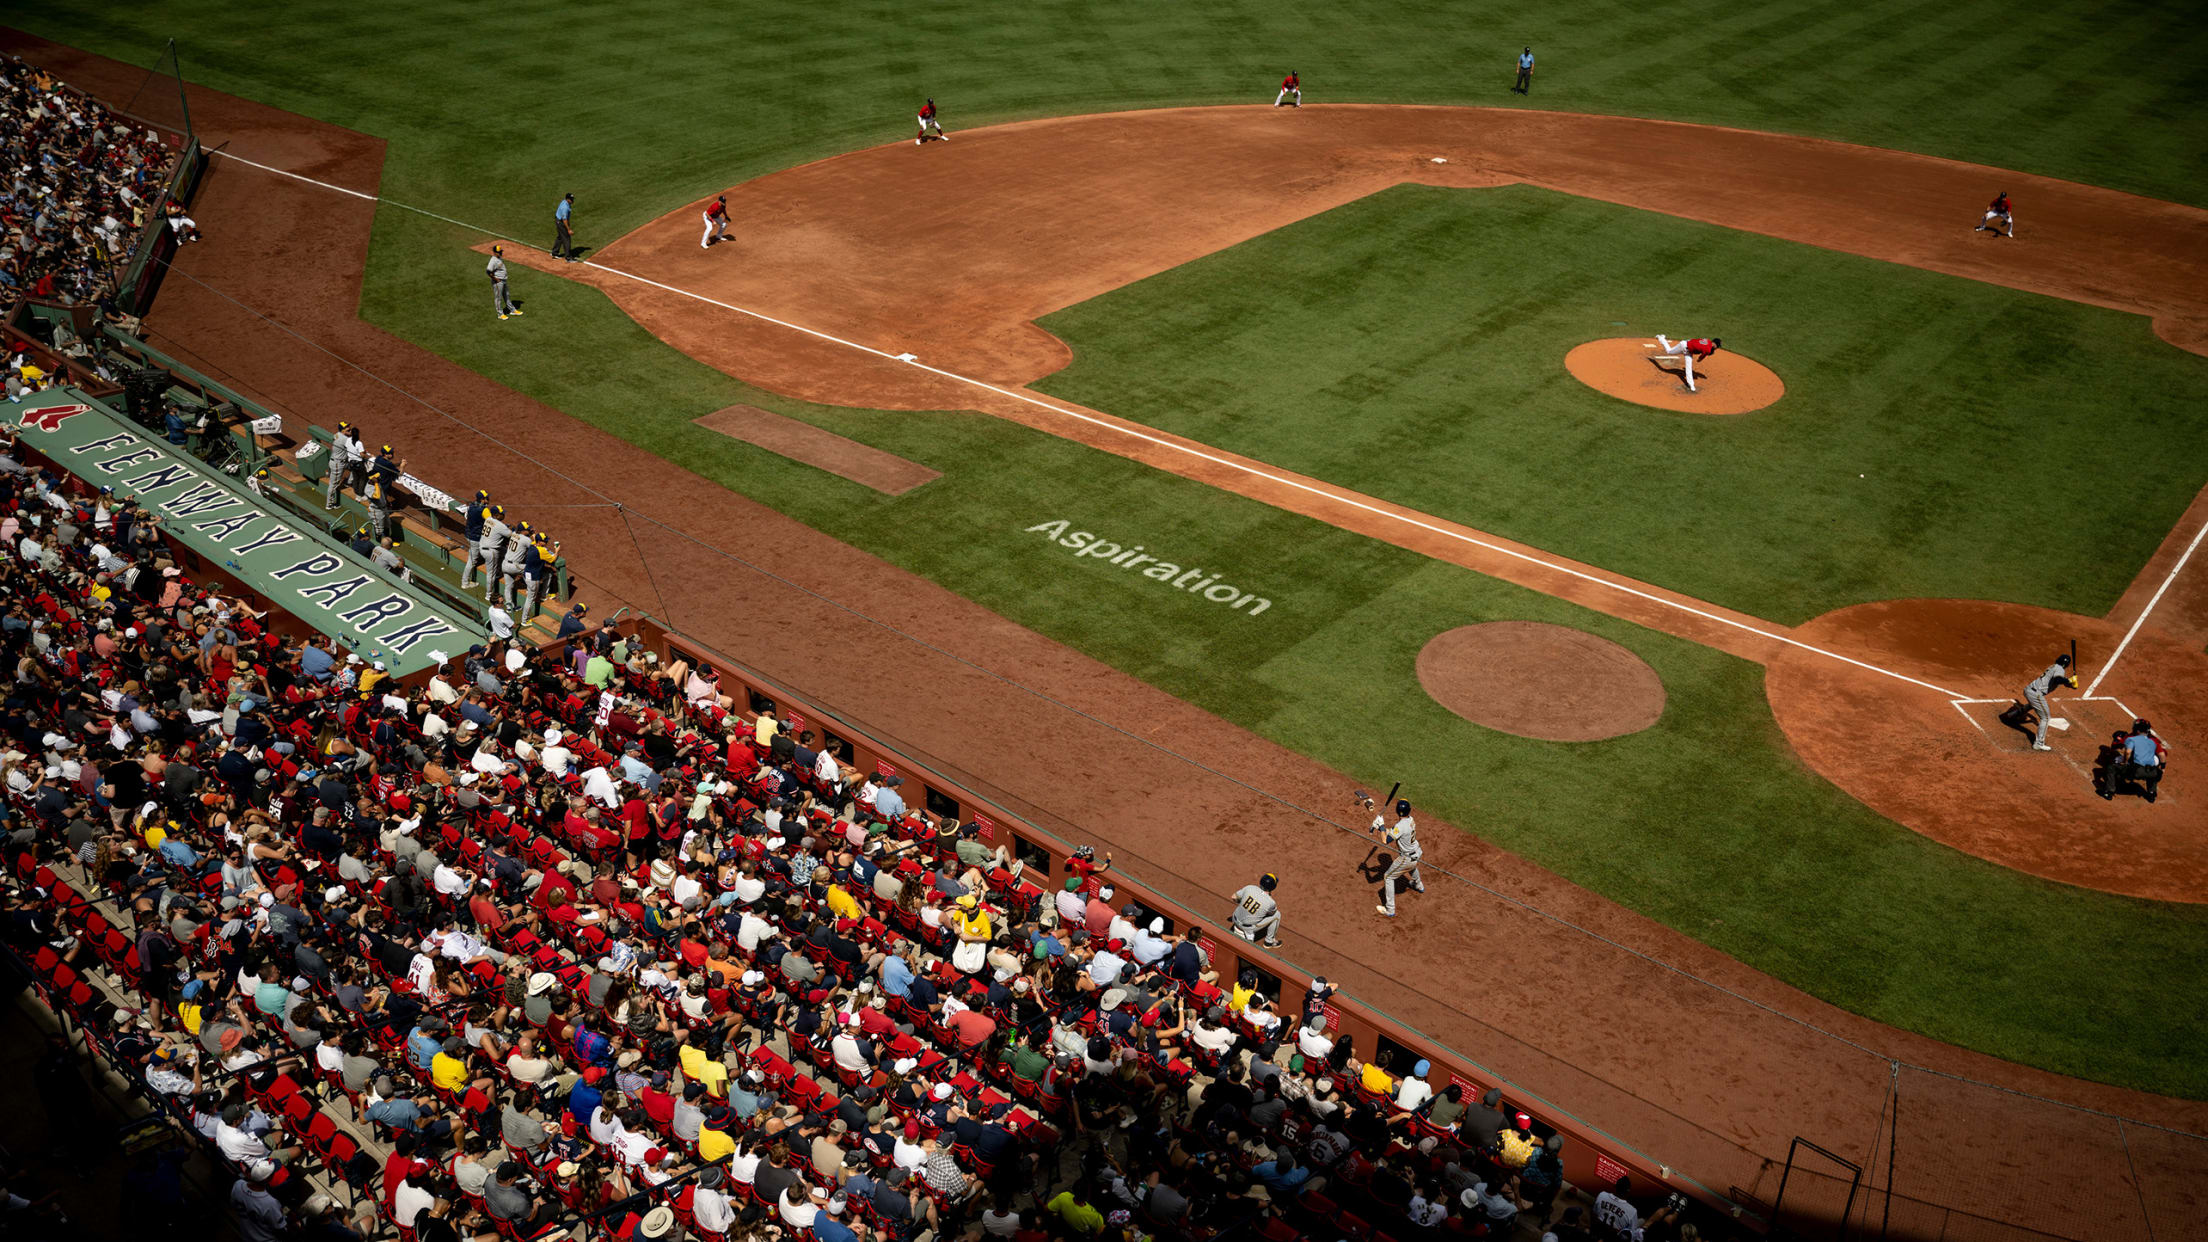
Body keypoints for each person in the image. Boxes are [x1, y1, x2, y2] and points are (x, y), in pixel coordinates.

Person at [2001, 653, 2075, 751]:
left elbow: (2060, 681)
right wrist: (2069, 680)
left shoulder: (2054, 667)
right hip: (2036, 694)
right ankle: (2039, 743)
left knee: (2033, 705)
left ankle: (2013, 715)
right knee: (2045, 717)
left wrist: (2072, 684)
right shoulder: (2060, 670)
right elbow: (2058, 680)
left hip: (2029, 690)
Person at [1373, 799, 1426, 918]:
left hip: (1407, 858)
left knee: (1388, 877)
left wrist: (1381, 826)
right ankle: (1418, 885)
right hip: (1417, 852)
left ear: (1398, 811)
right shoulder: (1410, 820)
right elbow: (1393, 833)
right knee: (1412, 866)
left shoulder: (1400, 826)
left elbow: (1385, 840)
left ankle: (1390, 909)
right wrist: (1380, 828)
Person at [2097, 719, 2165, 803]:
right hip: (2152, 771)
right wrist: (2162, 768)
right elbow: (2163, 754)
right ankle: (2151, 794)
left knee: (2113, 766)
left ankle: (2109, 792)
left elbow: (2117, 747)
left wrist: (2118, 738)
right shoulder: (2154, 740)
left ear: (2137, 729)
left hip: (2136, 770)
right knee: (2153, 768)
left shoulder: (2131, 738)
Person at [1227, 872, 1283, 947]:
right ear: (1273, 887)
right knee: (1277, 915)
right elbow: (1271, 914)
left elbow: (1233, 897)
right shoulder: (1271, 902)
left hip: (1235, 919)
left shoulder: (1250, 887)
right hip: (1247, 929)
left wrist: (1243, 903)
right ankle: (1269, 941)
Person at [1651, 335, 1721, 393]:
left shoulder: (1707, 340)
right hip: (1683, 346)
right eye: (1717, 346)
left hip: (1688, 349)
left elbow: (1698, 344)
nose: (1717, 348)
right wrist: (1703, 357)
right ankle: (1661, 338)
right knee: (1669, 351)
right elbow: (1700, 358)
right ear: (1715, 345)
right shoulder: (1708, 349)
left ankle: (1691, 385)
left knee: (1689, 367)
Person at [487, 244, 522, 320]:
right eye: (499, 252)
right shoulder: (493, 261)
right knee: (498, 298)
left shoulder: (499, 258)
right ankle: (500, 314)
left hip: (503, 280)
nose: (501, 253)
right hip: (498, 282)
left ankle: (512, 310)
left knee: (507, 295)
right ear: (495, 252)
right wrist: (495, 279)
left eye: (501, 251)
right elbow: (488, 271)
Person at [553, 193, 577, 260]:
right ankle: (568, 257)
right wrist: (568, 229)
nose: (572, 200)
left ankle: (554, 253)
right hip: (561, 222)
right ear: (567, 199)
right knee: (566, 239)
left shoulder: (565, 202)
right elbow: (564, 219)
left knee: (560, 237)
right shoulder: (565, 207)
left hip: (558, 220)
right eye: (571, 199)